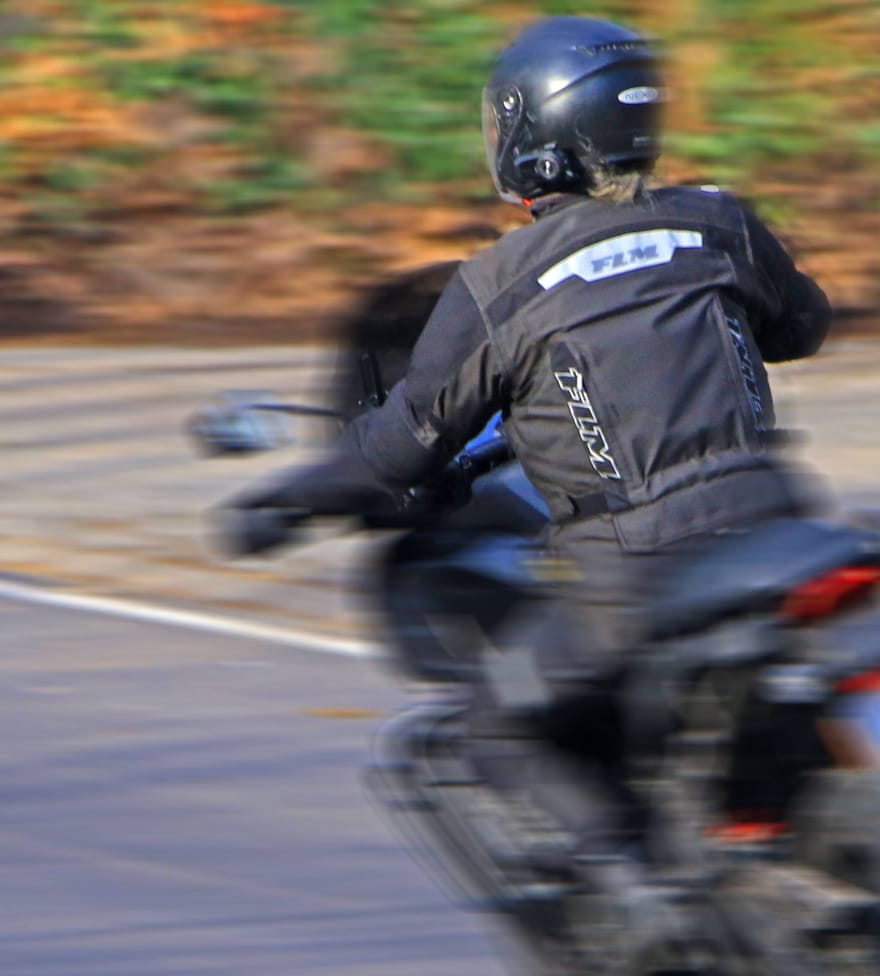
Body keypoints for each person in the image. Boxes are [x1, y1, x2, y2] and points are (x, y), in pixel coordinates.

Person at [226, 16, 831, 791]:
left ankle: (632, 901)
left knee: (495, 728)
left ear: (537, 131)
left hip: (633, 571)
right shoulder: (719, 221)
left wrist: (285, 500)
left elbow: (397, 447)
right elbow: (802, 327)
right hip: (780, 520)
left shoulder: (499, 284)